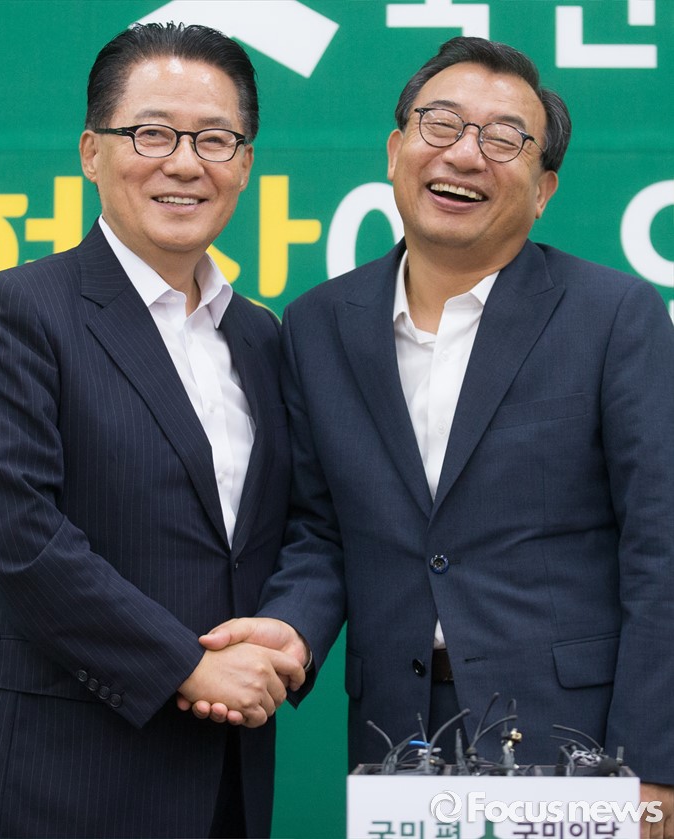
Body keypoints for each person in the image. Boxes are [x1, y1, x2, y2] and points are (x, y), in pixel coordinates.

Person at [187, 36, 674, 834]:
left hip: (576, 737)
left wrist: (654, 766)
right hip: (399, 732)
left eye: (505, 138)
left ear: (544, 189)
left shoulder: (613, 317)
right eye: (440, 124)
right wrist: (291, 631)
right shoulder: (318, 325)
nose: (465, 154)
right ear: (395, 149)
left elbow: (662, 549)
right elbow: (320, 531)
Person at [0, 22, 305, 839]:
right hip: (70, 778)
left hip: (228, 779)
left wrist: (290, 632)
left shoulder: (261, 336)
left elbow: (302, 523)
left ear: (245, 164)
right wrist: (186, 664)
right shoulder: (12, 312)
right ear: (92, 152)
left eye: (215, 139)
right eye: (152, 133)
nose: (185, 163)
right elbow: (20, 536)